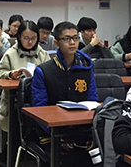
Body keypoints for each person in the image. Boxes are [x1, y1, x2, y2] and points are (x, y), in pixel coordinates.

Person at [32, 21, 98, 166]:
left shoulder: (86, 68)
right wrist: (58, 136)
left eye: (75, 38)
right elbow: (39, 109)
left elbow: (93, 101)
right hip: (52, 132)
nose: (72, 42)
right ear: (56, 42)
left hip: (81, 130)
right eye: (67, 39)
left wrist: (91, 133)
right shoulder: (43, 71)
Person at [0, 20, 49, 131]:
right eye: (26, 38)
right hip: (14, 99)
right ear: (19, 37)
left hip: (38, 97)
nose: (30, 42)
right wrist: (10, 74)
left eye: (33, 38)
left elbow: (50, 75)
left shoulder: (43, 54)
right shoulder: (10, 53)